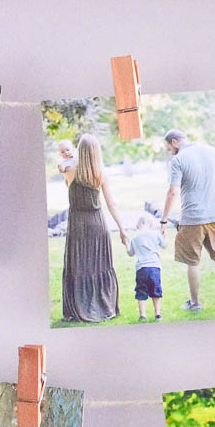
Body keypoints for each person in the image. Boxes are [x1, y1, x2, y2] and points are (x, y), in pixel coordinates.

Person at [161, 129, 215, 315]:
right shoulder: (211, 151)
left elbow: (172, 192)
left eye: (169, 148)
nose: (170, 152)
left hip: (193, 218)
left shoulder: (178, 160)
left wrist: (163, 220)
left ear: (175, 142)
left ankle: (195, 303)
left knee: (192, 262)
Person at [62, 134, 127, 323]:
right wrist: (122, 229)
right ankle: (103, 304)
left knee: (79, 266)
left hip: (78, 224)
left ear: (79, 151)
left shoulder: (69, 171)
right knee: (100, 266)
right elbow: (112, 204)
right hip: (97, 224)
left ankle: (80, 306)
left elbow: (69, 188)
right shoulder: (101, 174)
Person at [125, 211, 165, 321]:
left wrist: (126, 244)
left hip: (141, 269)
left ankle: (142, 315)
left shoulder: (135, 238)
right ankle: (157, 313)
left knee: (141, 291)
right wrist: (164, 236)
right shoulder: (156, 234)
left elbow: (130, 253)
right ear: (151, 225)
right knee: (156, 290)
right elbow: (164, 245)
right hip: (154, 267)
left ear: (138, 225)